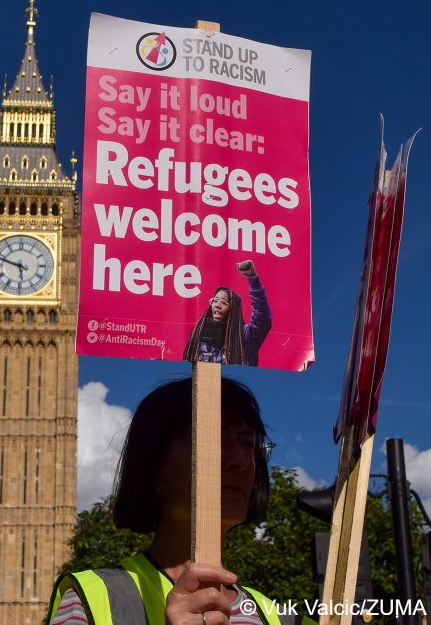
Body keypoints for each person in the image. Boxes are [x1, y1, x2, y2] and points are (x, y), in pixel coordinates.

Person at [47, 378, 308, 625]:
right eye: (215, 439)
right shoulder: (91, 601)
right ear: (153, 465)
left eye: (248, 442)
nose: (239, 460)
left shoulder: (280, 617)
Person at [182, 260, 271, 367]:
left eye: (224, 302)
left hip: (234, 383)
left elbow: (262, 319)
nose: (218, 305)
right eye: (215, 301)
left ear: (233, 309)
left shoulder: (245, 336)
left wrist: (252, 279)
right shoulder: (198, 336)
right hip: (204, 384)